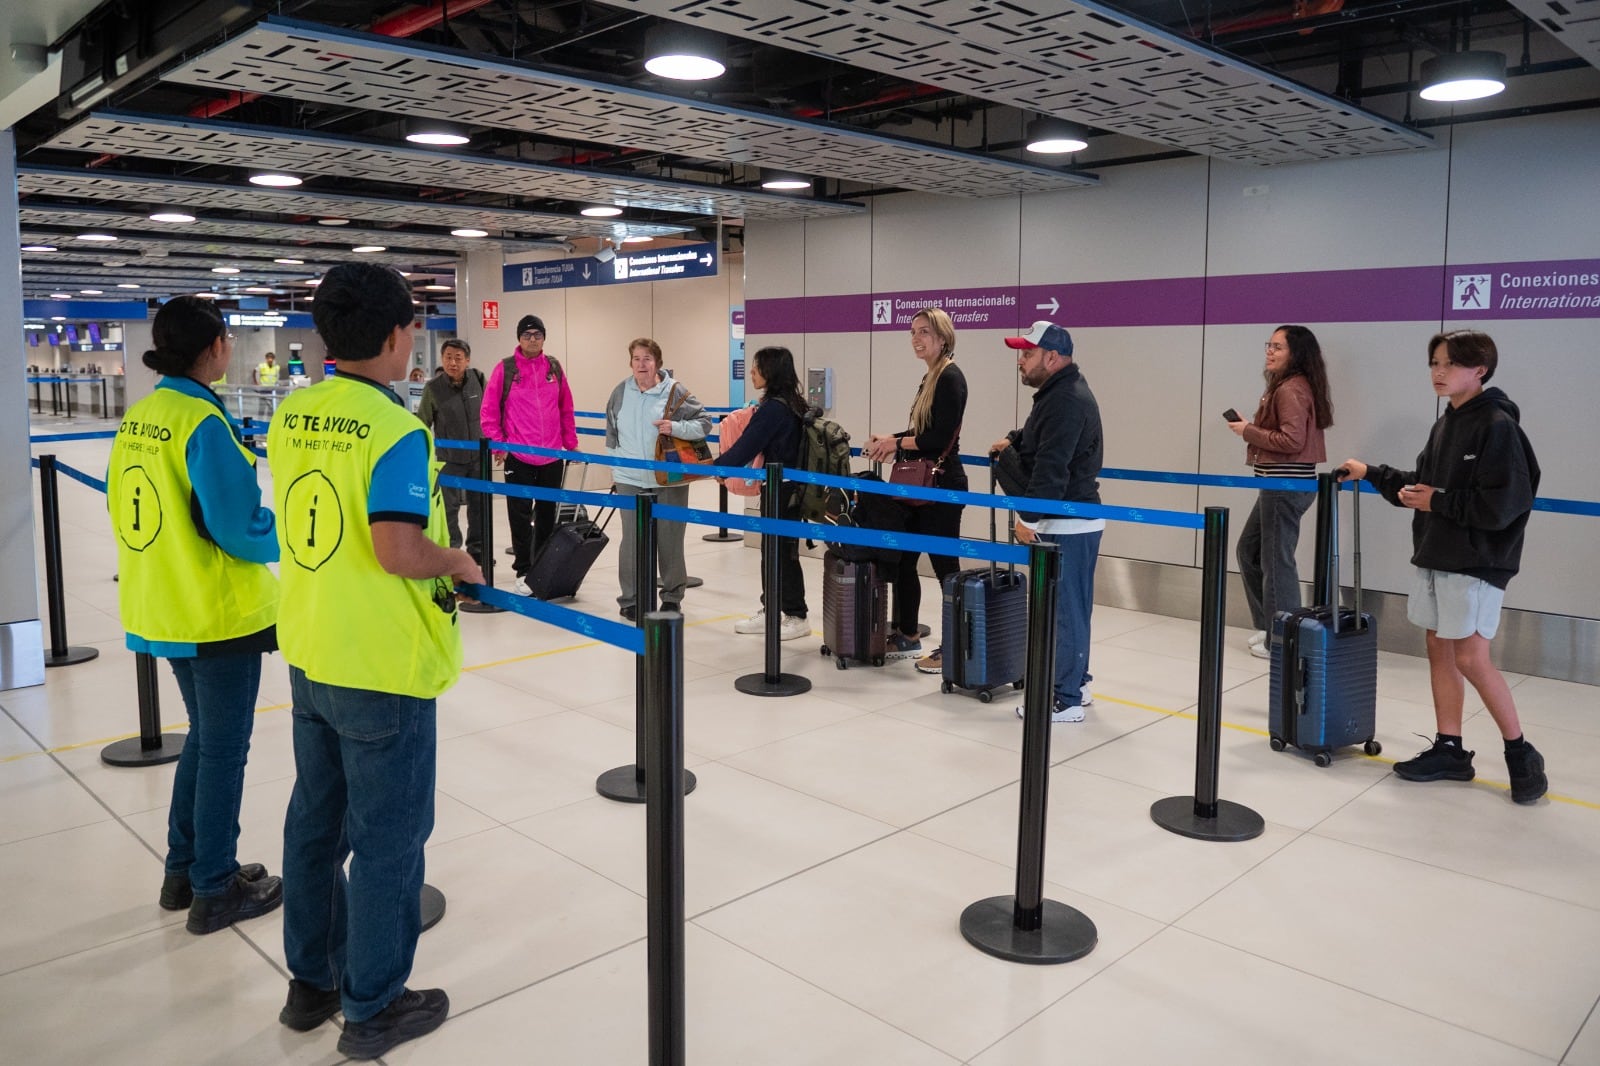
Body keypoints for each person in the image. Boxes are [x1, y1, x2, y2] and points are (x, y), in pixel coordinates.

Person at [267, 263, 483, 1059]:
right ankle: (373, 1006)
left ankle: (311, 983)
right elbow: (396, 548)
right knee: (391, 834)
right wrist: (458, 561)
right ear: (396, 336)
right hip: (381, 664)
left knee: (316, 822)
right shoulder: (394, 429)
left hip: (312, 647)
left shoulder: (296, 411)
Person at [106, 296, 282, 934]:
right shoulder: (202, 422)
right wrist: (284, 538)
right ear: (211, 348)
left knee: (206, 741)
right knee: (224, 749)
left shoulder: (143, 416)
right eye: (226, 339)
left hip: (164, 606)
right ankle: (215, 886)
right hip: (217, 614)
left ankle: (184, 871)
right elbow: (236, 527)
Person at [1338, 329, 1546, 804]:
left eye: (1450, 364)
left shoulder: (1497, 425)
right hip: (1438, 553)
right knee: (1440, 648)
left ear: (1480, 370)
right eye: (1434, 362)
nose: (1439, 371)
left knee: (1471, 656)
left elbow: (1505, 504)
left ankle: (1521, 752)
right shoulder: (1446, 424)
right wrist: (1372, 474)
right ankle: (1450, 748)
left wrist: (1441, 502)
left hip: (1477, 561)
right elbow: (1424, 486)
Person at [994, 320, 1104, 724]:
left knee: (1064, 611)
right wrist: (1012, 442)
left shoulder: (1065, 400)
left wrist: (1027, 518)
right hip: (1069, 518)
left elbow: (1051, 470)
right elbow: (1037, 442)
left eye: (1027, 354)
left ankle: (1065, 698)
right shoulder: (1057, 395)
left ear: (1053, 357)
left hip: (1066, 521)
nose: (1020, 362)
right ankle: (1077, 681)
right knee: (1070, 608)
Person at [863, 307, 967, 664]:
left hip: (942, 487)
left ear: (942, 337)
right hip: (921, 489)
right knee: (905, 559)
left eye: (923, 332)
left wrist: (897, 444)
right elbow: (922, 431)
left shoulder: (951, 378)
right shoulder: (931, 378)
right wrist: (889, 438)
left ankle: (955, 647)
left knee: (944, 566)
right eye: (912, 332)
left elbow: (937, 438)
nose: (916, 339)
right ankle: (907, 633)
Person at [1226, 325, 1334, 659]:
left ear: (1296, 353)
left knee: (1276, 561)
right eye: (1268, 345)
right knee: (1250, 550)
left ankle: (1285, 638)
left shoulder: (1291, 389)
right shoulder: (1291, 386)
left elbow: (1291, 441)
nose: (1269, 352)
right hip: (1278, 483)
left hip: (1284, 484)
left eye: (1278, 347)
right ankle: (1271, 626)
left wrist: (1248, 431)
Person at [604, 338, 712, 618]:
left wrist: (674, 427)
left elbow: (704, 423)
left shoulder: (675, 392)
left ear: (658, 363)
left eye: (647, 359)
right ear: (630, 363)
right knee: (631, 542)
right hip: (630, 478)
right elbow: (612, 433)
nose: (642, 364)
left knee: (670, 541)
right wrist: (616, 472)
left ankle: (672, 597)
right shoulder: (620, 392)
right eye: (637, 359)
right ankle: (630, 600)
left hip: (669, 477)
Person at [717, 345, 810, 640]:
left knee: (781, 552)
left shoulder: (774, 408)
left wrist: (717, 468)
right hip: (786, 489)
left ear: (770, 371)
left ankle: (796, 615)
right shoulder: (793, 402)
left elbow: (747, 445)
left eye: (757, 367)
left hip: (783, 490)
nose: (753, 372)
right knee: (773, 551)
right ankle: (771, 608)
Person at [480, 314, 577, 596]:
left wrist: (570, 445)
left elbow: (565, 408)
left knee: (547, 516)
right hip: (519, 456)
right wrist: (499, 445)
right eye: (527, 335)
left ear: (544, 338)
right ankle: (523, 570)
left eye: (537, 335)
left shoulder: (554, 368)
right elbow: (489, 411)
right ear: (519, 338)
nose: (532, 339)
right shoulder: (506, 369)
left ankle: (543, 569)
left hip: (551, 457)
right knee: (520, 517)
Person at [416, 338, 486, 564]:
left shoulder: (479, 379)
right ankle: (452, 551)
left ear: (467, 360)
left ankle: (477, 552)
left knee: (479, 508)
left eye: (458, 358)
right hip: (449, 462)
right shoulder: (433, 388)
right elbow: (423, 422)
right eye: (448, 357)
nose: (452, 362)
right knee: (449, 510)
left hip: (478, 459)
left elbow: (490, 414)